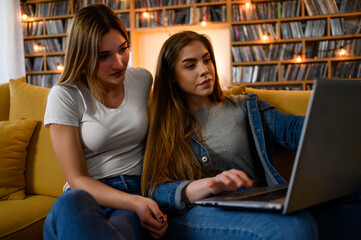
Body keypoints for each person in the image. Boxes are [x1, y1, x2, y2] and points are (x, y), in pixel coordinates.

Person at [141, 31, 361, 240]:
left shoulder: (246, 107)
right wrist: (206, 186)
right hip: (195, 211)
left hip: (254, 201)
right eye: (190, 65)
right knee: (294, 226)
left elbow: (294, 129)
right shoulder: (162, 123)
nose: (204, 70)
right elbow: (152, 188)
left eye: (207, 60)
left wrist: (339, 120)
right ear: (171, 76)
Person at [43, 5, 167, 240]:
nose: (119, 63)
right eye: (103, 56)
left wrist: (139, 201)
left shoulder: (142, 80)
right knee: (71, 204)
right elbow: (76, 179)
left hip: (135, 194)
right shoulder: (65, 95)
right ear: (82, 55)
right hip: (85, 197)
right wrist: (136, 202)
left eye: (123, 49)